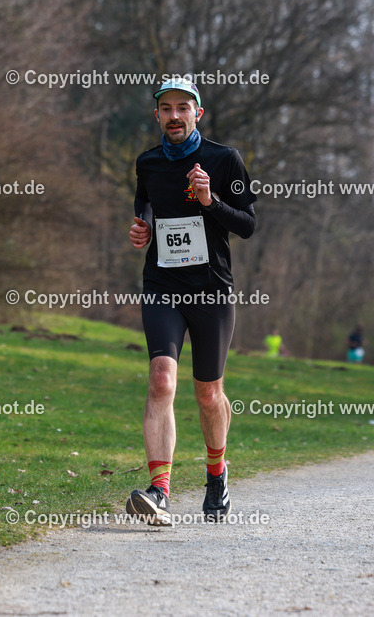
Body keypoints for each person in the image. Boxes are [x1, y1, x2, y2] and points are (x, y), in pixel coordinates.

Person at [127, 77, 257, 525]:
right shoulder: (147, 162)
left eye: (184, 107)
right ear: (158, 115)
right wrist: (141, 226)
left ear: (197, 113)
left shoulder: (224, 159)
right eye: (166, 108)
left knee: (208, 393)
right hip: (162, 283)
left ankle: (217, 472)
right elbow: (145, 201)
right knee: (162, 380)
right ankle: (159, 491)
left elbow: (247, 225)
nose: (175, 115)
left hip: (211, 289)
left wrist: (210, 200)